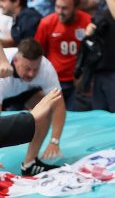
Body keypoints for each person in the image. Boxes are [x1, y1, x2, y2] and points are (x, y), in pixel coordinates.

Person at [0, 39, 66, 174]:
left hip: (24, 92)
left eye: (35, 69)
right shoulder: (2, 72)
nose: (31, 74)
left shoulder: (46, 67)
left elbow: (58, 104)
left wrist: (54, 141)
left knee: (46, 106)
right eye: (27, 68)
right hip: (4, 90)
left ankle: (29, 163)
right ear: (16, 60)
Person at [33, 0, 91, 106]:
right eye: (57, 7)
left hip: (78, 81)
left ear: (75, 8)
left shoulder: (87, 21)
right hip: (53, 80)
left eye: (64, 8)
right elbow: (37, 53)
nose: (60, 11)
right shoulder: (47, 23)